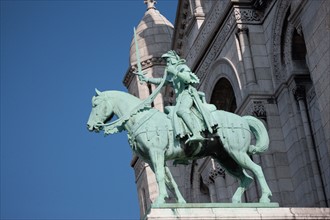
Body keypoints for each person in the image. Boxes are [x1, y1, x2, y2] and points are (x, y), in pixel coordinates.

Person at [139, 50, 217, 143]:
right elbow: (162, 81)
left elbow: (188, 79)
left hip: (188, 94)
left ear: (174, 59)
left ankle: (196, 133)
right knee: (171, 114)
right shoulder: (172, 75)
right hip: (180, 98)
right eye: (166, 62)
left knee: (182, 110)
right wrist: (147, 79)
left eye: (168, 61)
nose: (167, 63)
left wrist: (175, 72)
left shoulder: (181, 67)